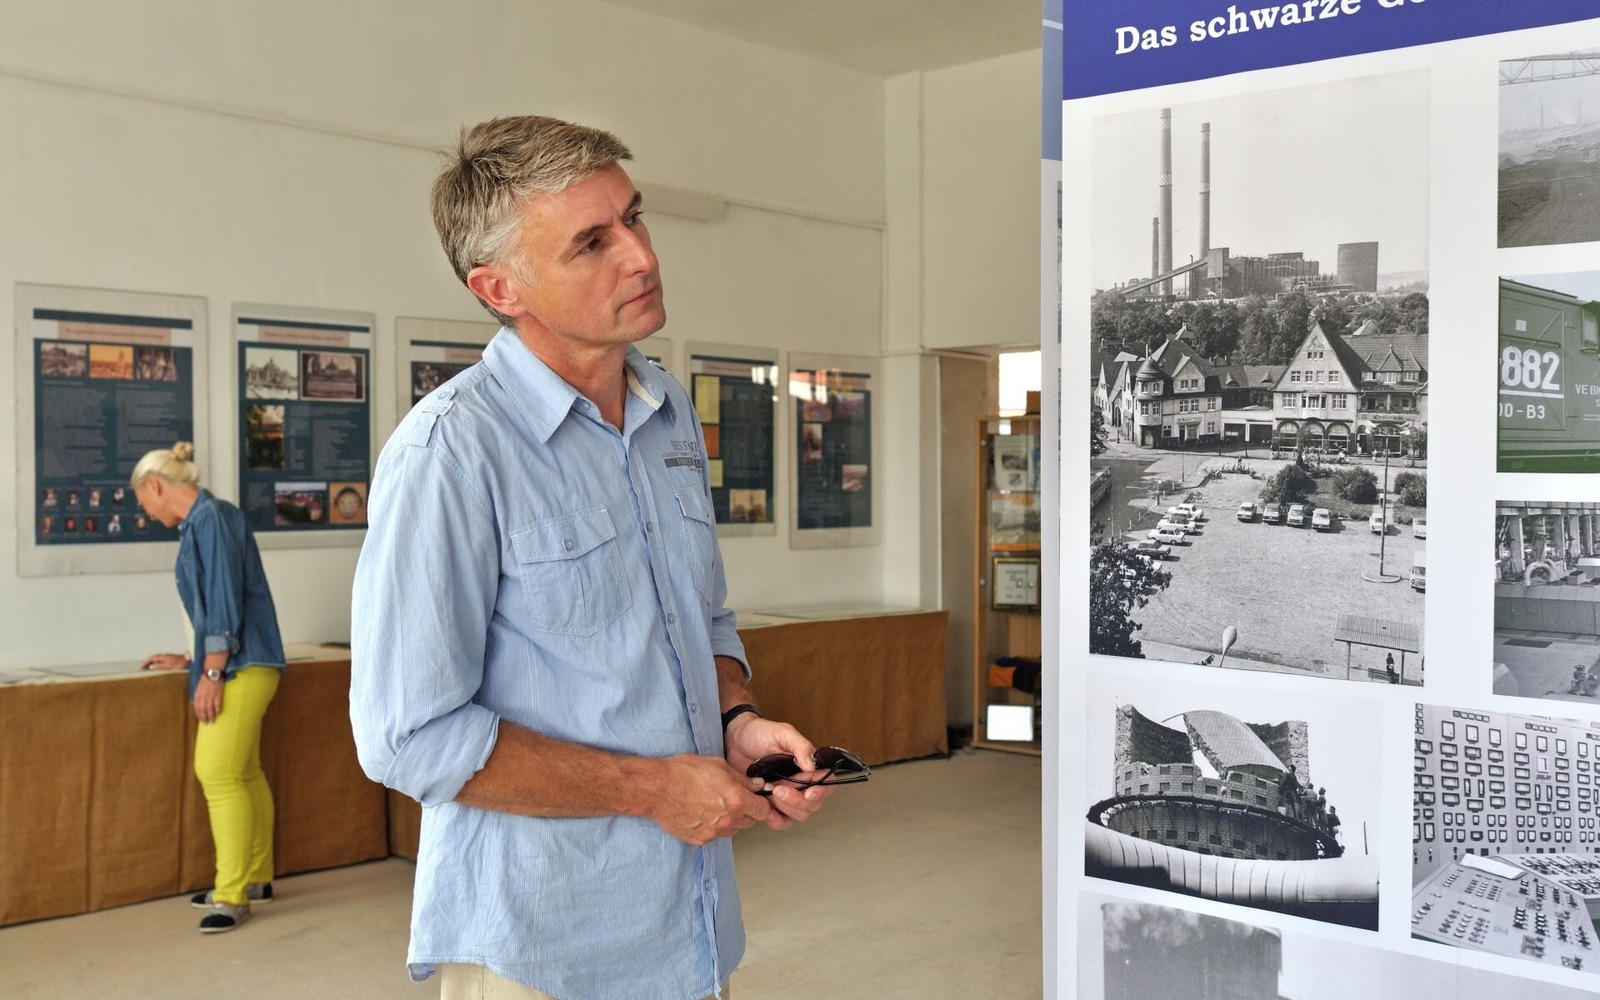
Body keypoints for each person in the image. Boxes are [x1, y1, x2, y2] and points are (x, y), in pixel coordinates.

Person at [350, 116, 835, 1000]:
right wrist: (653, 790)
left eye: (634, 217)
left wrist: (737, 723)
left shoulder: (667, 412)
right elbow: (409, 737)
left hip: (690, 928)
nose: (641, 256)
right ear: (500, 287)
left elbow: (702, 619)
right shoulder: (450, 453)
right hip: (543, 946)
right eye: (591, 242)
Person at [132, 442, 286, 934]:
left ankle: (231, 894)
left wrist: (212, 671)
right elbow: (219, 605)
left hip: (240, 665)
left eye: (143, 501)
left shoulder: (210, 519)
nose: (146, 513)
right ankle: (256, 877)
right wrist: (191, 659)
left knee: (216, 773)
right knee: (243, 772)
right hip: (246, 660)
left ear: (154, 485)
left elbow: (223, 601)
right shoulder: (207, 520)